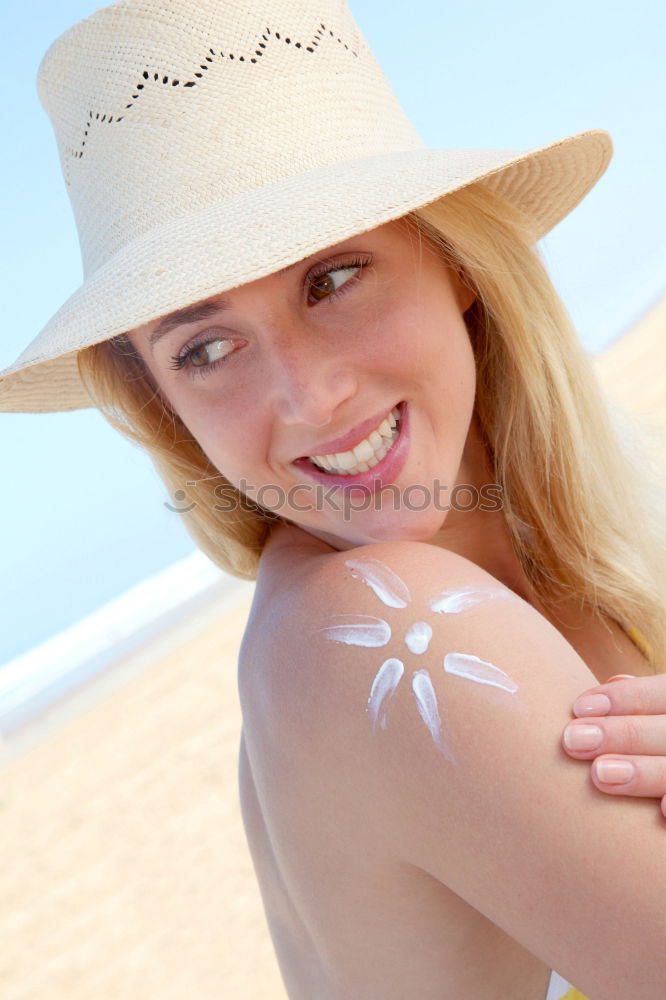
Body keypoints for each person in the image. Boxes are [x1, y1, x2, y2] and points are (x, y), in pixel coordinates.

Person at [1, 1, 665, 996]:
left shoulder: (593, 505)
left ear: (453, 257)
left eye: (334, 276)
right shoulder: (388, 630)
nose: (309, 397)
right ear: (168, 405)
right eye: (207, 349)